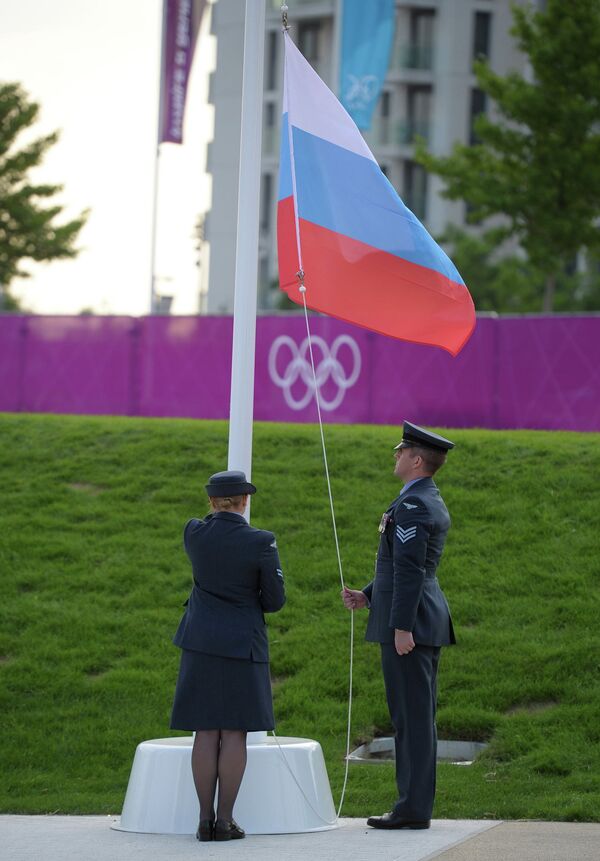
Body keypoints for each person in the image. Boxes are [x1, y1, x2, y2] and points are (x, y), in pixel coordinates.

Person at [342, 421, 456, 830]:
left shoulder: (413, 505)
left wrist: (401, 626)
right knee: (414, 716)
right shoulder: (421, 498)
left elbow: (410, 569)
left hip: (412, 623)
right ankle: (413, 805)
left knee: (411, 718)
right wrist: (369, 595)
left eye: (401, 451)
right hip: (418, 615)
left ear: (417, 459)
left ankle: (411, 808)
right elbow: (400, 566)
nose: (396, 455)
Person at [170, 470, 286, 842]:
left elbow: (209, 529)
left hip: (200, 641)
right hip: (241, 644)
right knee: (234, 731)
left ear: (210, 502)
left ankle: (203, 821)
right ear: (245, 501)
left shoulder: (194, 533)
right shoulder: (261, 541)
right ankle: (226, 820)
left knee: (205, 731)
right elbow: (274, 601)